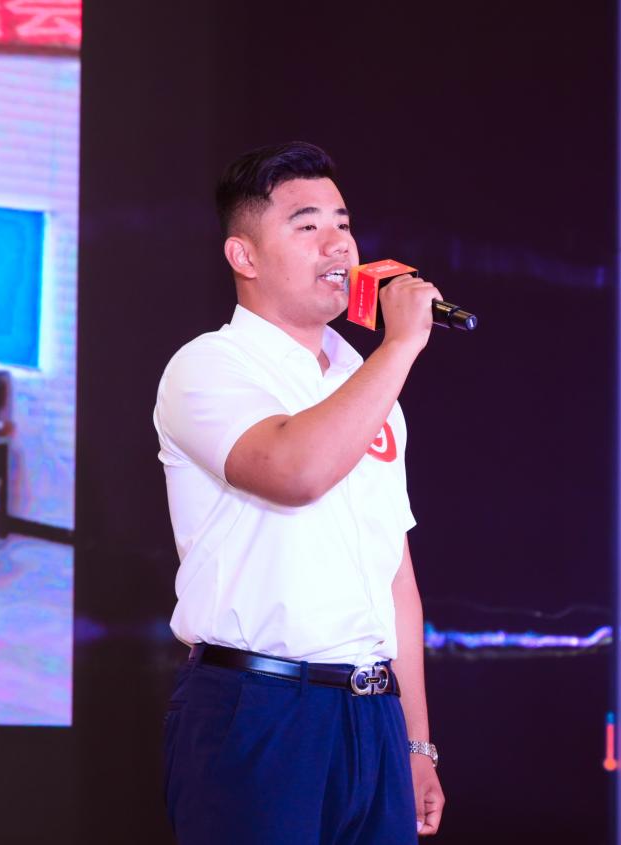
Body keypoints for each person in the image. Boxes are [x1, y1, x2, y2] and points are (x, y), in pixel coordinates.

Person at [154, 142, 445, 844]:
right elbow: (294, 472)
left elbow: (395, 577)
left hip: (372, 712)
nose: (338, 243)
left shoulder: (362, 380)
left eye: (343, 223)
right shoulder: (208, 366)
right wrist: (399, 346)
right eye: (307, 225)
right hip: (259, 707)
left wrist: (416, 743)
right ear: (244, 256)